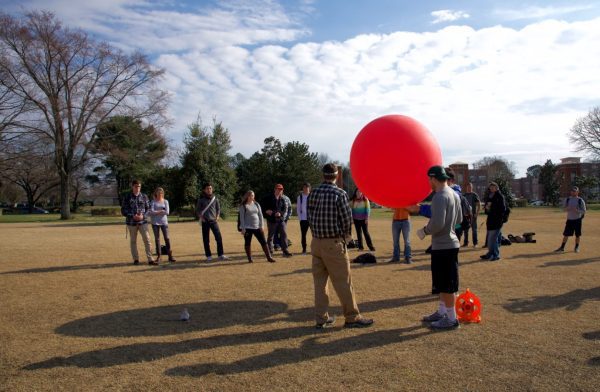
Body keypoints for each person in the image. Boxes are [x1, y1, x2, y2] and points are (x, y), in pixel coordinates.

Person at [307, 163, 374, 329]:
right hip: (333, 242)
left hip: (316, 242)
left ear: (323, 175)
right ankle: (352, 317)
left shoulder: (313, 192)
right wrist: (346, 238)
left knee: (320, 283)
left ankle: (321, 318)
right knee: (343, 282)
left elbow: (309, 216)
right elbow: (346, 219)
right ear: (336, 176)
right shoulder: (340, 193)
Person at [417, 166, 462, 330]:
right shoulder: (454, 194)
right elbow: (459, 218)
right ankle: (442, 312)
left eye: (429, 179)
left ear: (433, 178)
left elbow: (437, 224)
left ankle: (451, 319)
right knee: (443, 283)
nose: (429, 183)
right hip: (450, 243)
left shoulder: (439, 196)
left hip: (443, 246)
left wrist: (424, 231)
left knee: (447, 284)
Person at [121, 179, 153, 265]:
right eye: (136, 186)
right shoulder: (127, 197)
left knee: (147, 240)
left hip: (143, 223)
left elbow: (149, 209)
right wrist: (132, 216)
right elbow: (123, 210)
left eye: (139, 186)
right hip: (132, 223)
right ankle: (136, 259)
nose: (138, 188)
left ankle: (150, 259)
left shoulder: (144, 196)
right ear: (132, 187)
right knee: (133, 241)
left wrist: (143, 216)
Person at [239, 190, 276, 263]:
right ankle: (250, 259)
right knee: (247, 243)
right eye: (250, 195)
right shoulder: (243, 206)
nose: (251, 197)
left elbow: (260, 215)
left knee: (263, 242)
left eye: (252, 195)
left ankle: (269, 257)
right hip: (247, 228)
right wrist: (243, 228)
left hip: (257, 227)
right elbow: (241, 218)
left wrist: (261, 226)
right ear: (247, 196)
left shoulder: (256, 204)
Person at [196, 183, 228, 262]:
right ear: (204, 190)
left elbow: (218, 209)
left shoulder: (215, 199)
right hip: (205, 221)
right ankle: (209, 256)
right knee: (206, 240)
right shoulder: (201, 200)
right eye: (207, 188)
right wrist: (202, 218)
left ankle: (221, 254)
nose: (209, 190)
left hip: (214, 221)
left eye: (210, 188)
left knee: (219, 238)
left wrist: (217, 217)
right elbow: (198, 211)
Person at [261, 184, 292, 257]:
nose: (279, 190)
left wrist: (280, 213)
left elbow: (284, 209)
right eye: (278, 189)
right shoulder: (267, 198)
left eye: (281, 189)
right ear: (275, 189)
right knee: (271, 236)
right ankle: (270, 251)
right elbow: (263, 207)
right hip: (271, 220)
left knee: (284, 234)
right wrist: (266, 211)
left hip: (281, 220)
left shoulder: (282, 199)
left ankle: (285, 251)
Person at [555, 186, 586, 253]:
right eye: (572, 191)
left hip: (577, 220)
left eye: (575, 191)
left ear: (577, 192)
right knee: (566, 234)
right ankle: (562, 247)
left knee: (577, 235)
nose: (573, 192)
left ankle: (576, 247)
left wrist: (577, 210)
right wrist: (567, 209)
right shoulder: (567, 199)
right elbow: (563, 209)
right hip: (569, 220)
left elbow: (584, 211)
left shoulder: (580, 200)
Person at [149, 187, 176, 264]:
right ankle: (159, 256)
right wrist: (161, 211)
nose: (160, 194)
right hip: (155, 223)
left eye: (161, 193)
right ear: (156, 193)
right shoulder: (153, 201)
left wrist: (156, 212)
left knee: (167, 238)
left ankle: (170, 255)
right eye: (158, 193)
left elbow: (167, 212)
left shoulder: (165, 201)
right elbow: (151, 211)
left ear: (163, 194)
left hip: (164, 222)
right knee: (157, 239)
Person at [480, 182, 506, 261]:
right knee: (490, 239)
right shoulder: (490, 196)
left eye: (493, 187)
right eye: (490, 187)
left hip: (497, 221)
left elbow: (503, 209)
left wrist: (494, 211)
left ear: (496, 187)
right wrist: (486, 208)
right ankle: (490, 254)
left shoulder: (499, 196)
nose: (491, 188)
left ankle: (496, 255)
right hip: (490, 221)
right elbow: (488, 208)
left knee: (493, 239)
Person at [445, 168, 471, 244]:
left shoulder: (455, 193)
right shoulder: (445, 191)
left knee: (452, 248)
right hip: (449, 227)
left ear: (451, 180)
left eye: (445, 179)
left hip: (456, 227)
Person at [462, 183, 481, 247]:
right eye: (468, 187)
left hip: (473, 216)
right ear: (466, 188)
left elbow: (479, 204)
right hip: (466, 216)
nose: (469, 188)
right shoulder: (463, 195)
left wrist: (477, 213)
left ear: (472, 187)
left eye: (470, 187)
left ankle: (475, 243)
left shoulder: (474, 195)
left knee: (474, 230)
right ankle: (465, 243)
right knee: (465, 230)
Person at [296, 183, 312, 254]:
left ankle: (314, 249)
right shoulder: (300, 197)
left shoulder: (313, 196)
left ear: (309, 188)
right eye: (304, 187)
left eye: (307, 187)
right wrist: (300, 218)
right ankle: (304, 249)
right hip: (303, 219)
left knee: (315, 235)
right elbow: (298, 209)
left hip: (312, 219)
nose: (305, 189)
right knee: (303, 235)